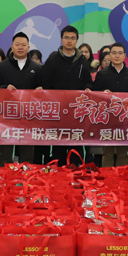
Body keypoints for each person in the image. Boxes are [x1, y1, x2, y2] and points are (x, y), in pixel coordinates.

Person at [0, 32, 43, 165]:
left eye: (23, 45)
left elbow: (43, 88)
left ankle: (26, 176)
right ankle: (4, 176)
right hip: (6, 116)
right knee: (5, 152)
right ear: (12, 47)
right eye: (17, 44)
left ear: (28, 47)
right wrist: (4, 87)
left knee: (27, 151)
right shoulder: (2, 67)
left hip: (28, 116)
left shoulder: (36, 68)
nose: (20, 47)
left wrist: (40, 90)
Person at [41, 26, 93, 165]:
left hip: (77, 111)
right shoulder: (53, 59)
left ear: (76, 40)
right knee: (58, 144)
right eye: (66, 38)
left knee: (76, 144)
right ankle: (58, 174)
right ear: (62, 39)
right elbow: (46, 82)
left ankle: (75, 172)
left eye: (72, 38)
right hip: (58, 110)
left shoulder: (83, 61)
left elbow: (88, 81)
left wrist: (88, 88)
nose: (69, 41)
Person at [92, 43, 128, 167]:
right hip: (107, 119)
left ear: (124, 55)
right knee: (107, 153)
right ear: (110, 55)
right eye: (114, 53)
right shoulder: (102, 74)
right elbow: (94, 94)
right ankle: (108, 177)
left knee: (122, 153)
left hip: (124, 119)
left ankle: (122, 176)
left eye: (120, 53)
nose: (117, 56)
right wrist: (102, 93)